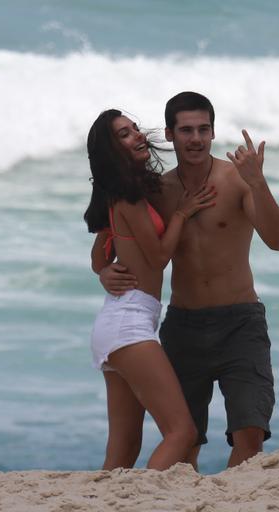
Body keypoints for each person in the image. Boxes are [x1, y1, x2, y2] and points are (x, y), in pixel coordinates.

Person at [98, 92, 279, 469]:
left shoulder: (235, 180)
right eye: (186, 130)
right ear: (169, 135)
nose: (196, 138)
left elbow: (277, 239)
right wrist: (103, 270)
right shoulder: (158, 191)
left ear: (214, 132)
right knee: (185, 449)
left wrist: (259, 183)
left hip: (240, 322)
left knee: (249, 436)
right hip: (184, 325)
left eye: (204, 129)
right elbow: (109, 242)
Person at [85, 109, 217, 470]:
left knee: (124, 448)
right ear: (113, 150)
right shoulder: (127, 198)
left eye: (135, 129)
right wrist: (182, 214)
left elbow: (100, 254)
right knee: (181, 432)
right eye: (125, 135)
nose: (138, 135)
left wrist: (103, 270)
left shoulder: (123, 193)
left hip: (121, 322)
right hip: (128, 325)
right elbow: (158, 257)